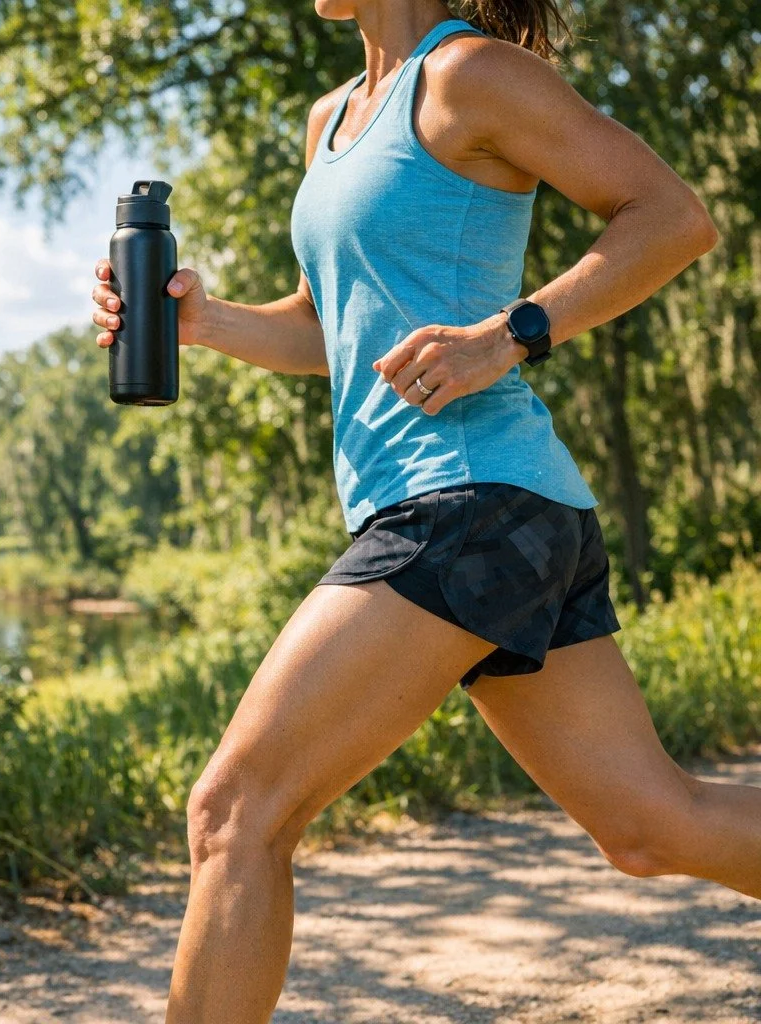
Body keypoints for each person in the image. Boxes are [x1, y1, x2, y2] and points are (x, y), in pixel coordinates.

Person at [91, 2, 760, 1020]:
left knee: (236, 812)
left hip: (467, 500)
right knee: (649, 827)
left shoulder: (470, 76)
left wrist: (510, 333)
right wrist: (204, 321)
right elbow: (337, 330)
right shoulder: (332, 119)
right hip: (488, 509)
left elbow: (671, 216)